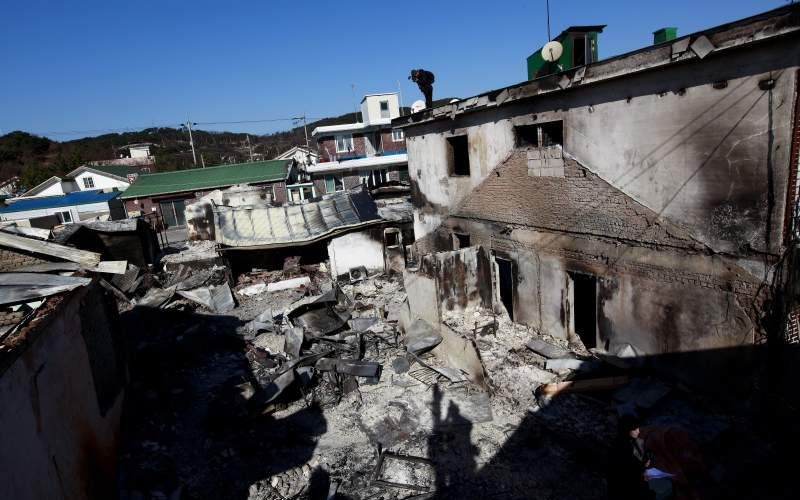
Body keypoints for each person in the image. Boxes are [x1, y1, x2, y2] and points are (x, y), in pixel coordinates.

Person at [624, 416, 708, 500]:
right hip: (688, 472)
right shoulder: (657, 431)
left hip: (686, 475)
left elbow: (667, 460)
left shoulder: (651, 439)